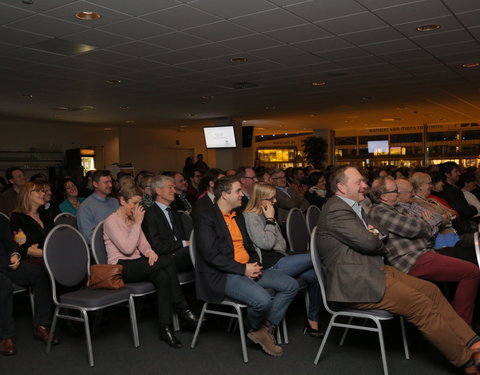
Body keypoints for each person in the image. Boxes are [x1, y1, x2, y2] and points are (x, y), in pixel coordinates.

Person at [317, 165, 480, 375]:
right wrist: (374, 237)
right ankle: (467, 361)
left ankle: (472, 342)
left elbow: (378, 235)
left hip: (372, 268)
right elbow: (369, 242)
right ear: (340, 186)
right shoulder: (337, 209)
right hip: (356, 281)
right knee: (421, 304)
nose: (365, 185)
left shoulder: (351, 206)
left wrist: (374, 236)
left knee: (431, 291)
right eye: (358, 182)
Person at [193, 176, 299, 357]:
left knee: (291, 285)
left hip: (245, 268)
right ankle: (257, 327)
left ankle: (263, 329)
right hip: (222, 275)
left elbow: (248, 248)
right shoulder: (206, 217)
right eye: (237, 191)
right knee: (263, 300)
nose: (242, 194)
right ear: (225, 195)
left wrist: (253, 265)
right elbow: (211, 256)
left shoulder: (238, 216)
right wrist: (243, 270)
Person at [369, 176, 480, 326]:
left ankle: (455, 319)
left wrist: (427, 225)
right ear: (383, 196)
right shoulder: (379, 211)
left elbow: (431, 227)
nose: (398, 193)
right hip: (411, 260)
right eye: (395, 190)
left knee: (469, 263)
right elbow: (415, 228)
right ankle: (462, 324)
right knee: (472, 272)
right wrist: (426, 223)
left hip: (425, 252)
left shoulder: (397, 207)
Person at [104, 184, 196, 348]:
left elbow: (144, 245)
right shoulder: (111, 221)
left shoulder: (133, 219)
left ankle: (165, 329)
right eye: (133, 203)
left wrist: (149, 253)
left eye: (139, 204)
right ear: (122, 201)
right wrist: (138, 224)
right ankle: (183, 309)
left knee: (163, 276)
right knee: (167, 260)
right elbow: (127, 248)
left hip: (138, 263)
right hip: (121, 266)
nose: (136, 208)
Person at [243, 182, 322, 337]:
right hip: (270, 265)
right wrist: (271, 221)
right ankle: (264, 325)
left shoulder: (267, 213)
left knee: (314, 275)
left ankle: (313, 321)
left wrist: (270, 220)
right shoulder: (251, 217)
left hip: (281, 259)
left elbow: (281, 244)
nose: (275, 202)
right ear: (261, 199)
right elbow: (266, 244)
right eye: (271, 199)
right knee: (318, 256)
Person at [142, 175, 194, 276]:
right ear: (158, 190)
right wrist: (183, 243)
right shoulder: (149, 214)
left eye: (174, 188)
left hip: (181, 254)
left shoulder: (174, 213)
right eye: (170, 187)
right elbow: (157, 246)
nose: (174, 191)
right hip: (166, 257)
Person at [10, 182, 55, 266]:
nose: (43, 193)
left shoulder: (45, 214)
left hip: (52, 258)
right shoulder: (18, 217)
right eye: (38, 191)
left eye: (42, 191)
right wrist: (51, 254)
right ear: (27, 195)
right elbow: (23, 247)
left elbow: (56, 237)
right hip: (34, 263)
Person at [77, 170, 119, 244]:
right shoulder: (86, 207)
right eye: (106, 182)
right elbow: (88, 237)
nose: (110, 185)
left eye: (110, 182)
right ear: (95, 184)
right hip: (102, 248)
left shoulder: (115, 202)